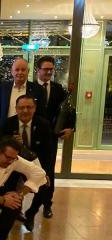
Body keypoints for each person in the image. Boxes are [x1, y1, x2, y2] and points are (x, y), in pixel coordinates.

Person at [0, 94, 54, 231]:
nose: (25, 111)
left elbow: (49, 152)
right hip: (13, 164)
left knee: (44, 186)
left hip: (35, 164)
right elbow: (0, 147)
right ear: (16, 109)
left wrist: (45, 173)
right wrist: (11, 142)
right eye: (21, 107)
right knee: (10, 189)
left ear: (34, 108)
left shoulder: (44, 124)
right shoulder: (8, 123)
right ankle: (15, 212)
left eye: (29, 107)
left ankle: (31, 214)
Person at [34, 55, 76, 218]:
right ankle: (19, 207)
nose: (49, 72)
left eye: (51, 69)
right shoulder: (30, 88)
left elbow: (69, 110)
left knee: (49, 172)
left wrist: (71, 128)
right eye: (45, 69)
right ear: (38, 70)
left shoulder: (59, 89)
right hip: (32, 136)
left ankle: (47, 205)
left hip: (50, 138)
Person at [0, 56, 46, 141]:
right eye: (17, 70)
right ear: (12, 72)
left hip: (28, 133)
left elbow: (41, 114)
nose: (20, 72)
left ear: (28, 71)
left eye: (23, 70)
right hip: (5, 132)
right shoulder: (4, 87)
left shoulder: (37, 89)